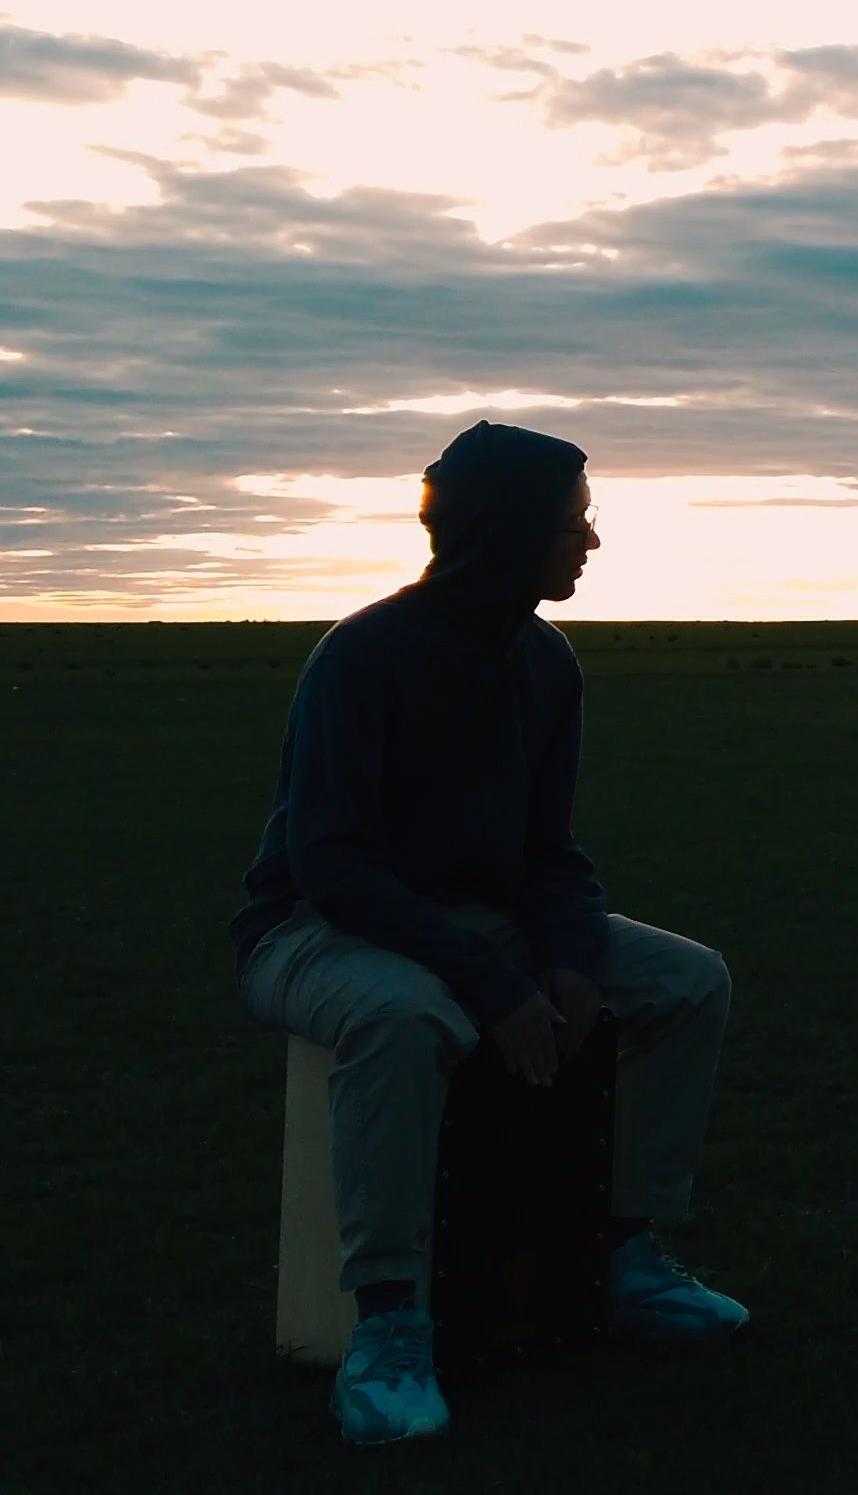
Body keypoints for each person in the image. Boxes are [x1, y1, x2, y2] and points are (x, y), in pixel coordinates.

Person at [233, 421, 744, 1448]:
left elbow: (551, 853)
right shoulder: (363, 657)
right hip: (314, 931)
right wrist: (494, 984)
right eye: (574, 521)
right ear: (510, 531)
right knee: (404, 1015)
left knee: (689, 983)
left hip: (485, 926)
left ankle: (624, 1258)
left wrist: (571, 963)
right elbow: (330, 864)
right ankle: (387, 1327)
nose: (590, 541)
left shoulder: (546, 664)